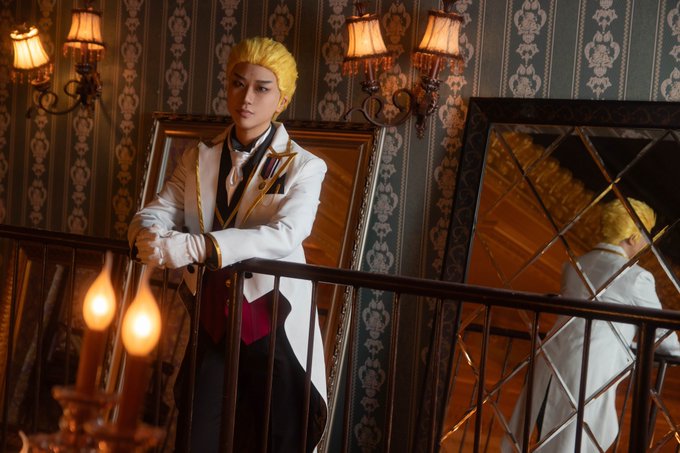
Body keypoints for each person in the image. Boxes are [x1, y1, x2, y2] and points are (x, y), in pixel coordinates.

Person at [128, 37, 328, 452]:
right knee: (196, 433)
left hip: (271, 323)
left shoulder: (305, 166)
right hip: (213, 323)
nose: (246, 97)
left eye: (261, 88)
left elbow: (287, 234)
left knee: (275, 439)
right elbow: (159, 210)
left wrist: (196, 248)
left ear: (281, 99)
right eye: (238, 83)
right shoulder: (198, 158)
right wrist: (146, 236)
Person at [502, 198, 680, 453]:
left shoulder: (574, 265)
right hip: (588, 373)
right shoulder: (636, 277)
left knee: (545, 435)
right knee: (573, 442)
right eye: (645, 236)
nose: (646, 244)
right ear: (632, 237)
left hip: (551, 363)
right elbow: (666, 341)